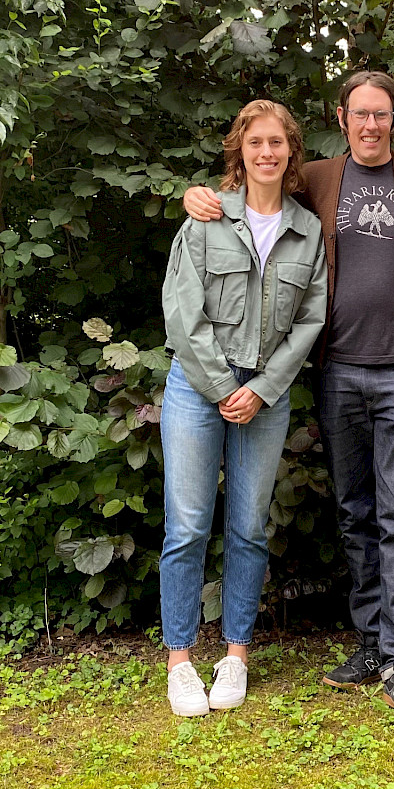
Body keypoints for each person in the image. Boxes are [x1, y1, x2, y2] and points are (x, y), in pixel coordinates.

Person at [182, 72, 394, 727]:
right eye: (360, 114)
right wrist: (195, 195)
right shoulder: (318, 178)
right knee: (354, 513)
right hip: (337, 369)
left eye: (381, 114)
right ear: (342, 117)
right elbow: (253, 190)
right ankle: (370, 643)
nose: (371, 125)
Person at [160, 100, 327, 717]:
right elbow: (182, 310)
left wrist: (261, 388)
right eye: (255, 142)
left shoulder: (307, 232)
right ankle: (180, 660)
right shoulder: (205, 219)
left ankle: (236, 654)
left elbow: (310, 320)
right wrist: (219, 385)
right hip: (195, 387)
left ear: (291, 151)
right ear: (240, 150)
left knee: (249, 527)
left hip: (266, 393)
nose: (266, 152)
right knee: (187, 525)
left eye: (276, 142)